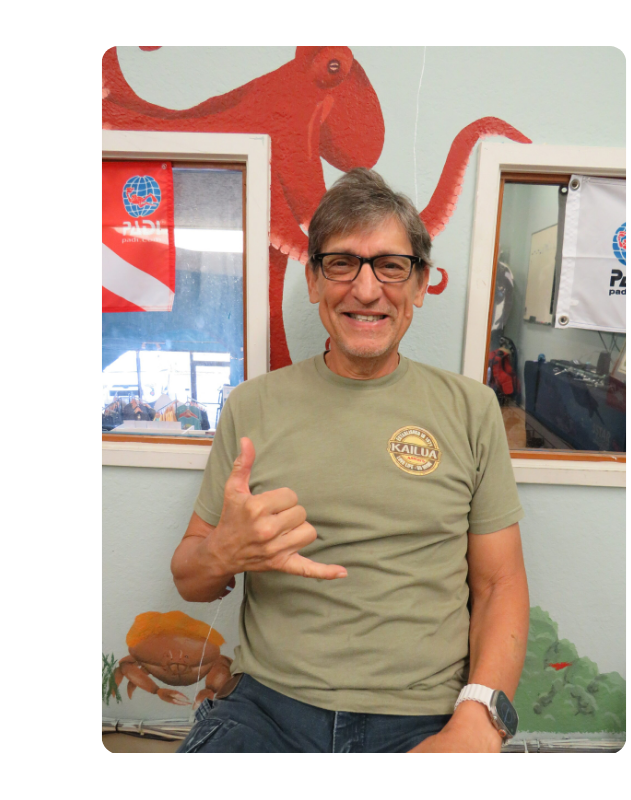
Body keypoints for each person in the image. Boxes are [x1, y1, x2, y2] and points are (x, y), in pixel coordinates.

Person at [171, 169, 529, 754]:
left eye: (391, 266)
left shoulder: (471, 409)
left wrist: (480, 719)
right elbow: (190, 578)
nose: (366, 290)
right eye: (341, 264)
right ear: (314, 280)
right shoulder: (252, 406)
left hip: (424, 715)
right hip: (268, 709)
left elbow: (500, 584)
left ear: (421, 284)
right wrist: (222, 553)